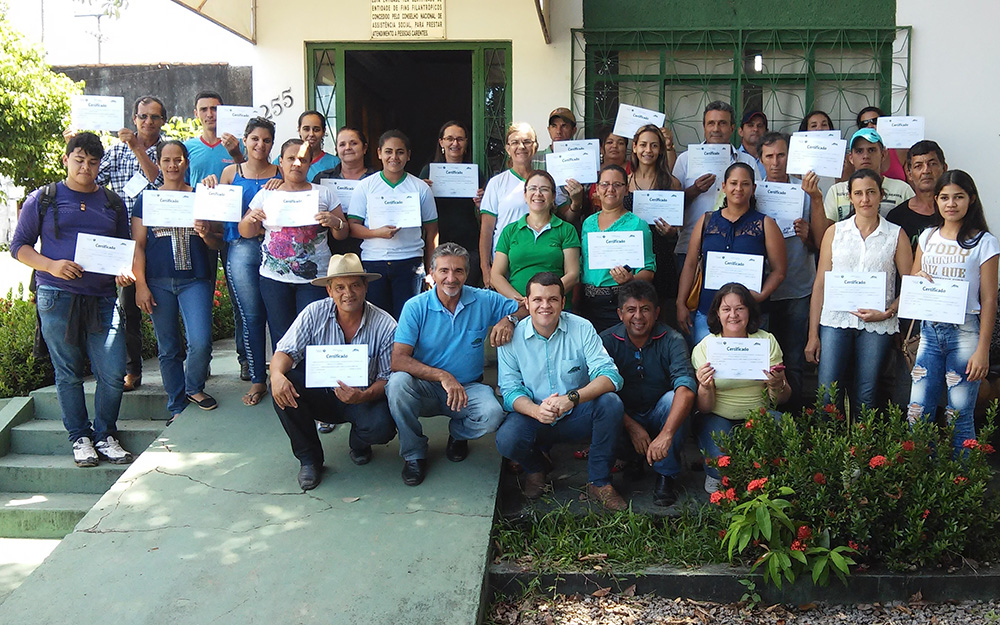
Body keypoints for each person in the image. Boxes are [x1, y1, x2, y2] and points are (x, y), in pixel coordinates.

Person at [10, 132, 135, 467]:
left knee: (112, 372)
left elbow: (123, 249)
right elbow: (18, 246)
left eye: (93, 162)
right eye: (79, 160)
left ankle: (105, 434)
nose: (86, 168)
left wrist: (124, 272)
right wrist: (51, 265)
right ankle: (80, 438)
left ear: (99, 165)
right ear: (66, 160)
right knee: (68, 372)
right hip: (56, 295)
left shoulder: (112, 202)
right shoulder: (44, 198)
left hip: (103, 297)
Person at [386, 243, 522, 486]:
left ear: (466, 274)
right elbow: (398, 359)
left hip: (467, 387)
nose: (451, 278)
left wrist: (509, 320)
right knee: (397, 384)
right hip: (425, 387)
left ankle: (458, 435)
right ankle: (414, 454)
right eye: (444, 271)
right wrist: (442, 376)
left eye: (458, 271)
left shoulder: (483, 299)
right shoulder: (415, 307)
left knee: (493, 414)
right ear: (432, 274)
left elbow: (526, 306)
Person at [495, 272, 627, 510]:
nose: (545, 306)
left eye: (553, 299)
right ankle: (536, 469)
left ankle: (599, 482)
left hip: (576, 413)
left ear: (563, 302)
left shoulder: (582, 327)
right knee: (507, 439)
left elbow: (610, 376)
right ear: (526, 302)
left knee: (611, 403)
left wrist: (572, 398)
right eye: (537, 300)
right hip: (534, 416)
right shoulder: (512, 338)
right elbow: (510, 390)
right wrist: (536, 411)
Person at [270, 254, 399, 490]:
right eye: (339, 287)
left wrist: (363, 396)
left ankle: (360, 442)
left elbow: (388, 378)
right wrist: (276, 376)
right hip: (321, 394)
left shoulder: (386, 324)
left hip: (363, 397)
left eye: (354, 286)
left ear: (365, 287)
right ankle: (309, 459)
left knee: (382, 427)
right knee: (283, 384)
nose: (347, 293)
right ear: (329, 290)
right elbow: (285, 352)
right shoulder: (313, 313)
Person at [908, 170, 998, 457]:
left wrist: (983, 349)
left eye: (958, 197)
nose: (951, 203)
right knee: (917, 412)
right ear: (936, 201)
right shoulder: (927, 237)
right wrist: (920, 276)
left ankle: (962, 486)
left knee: (958, 415)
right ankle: (921, 481)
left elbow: (989, 299)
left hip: (965, 334)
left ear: (970, 199)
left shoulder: (984, 242)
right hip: (930, 332)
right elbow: (913, 282)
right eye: (945, 197)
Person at [806, 169, 913, 412]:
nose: (865, 199)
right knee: (827, 391)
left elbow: (909, 284)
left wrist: (887, 313)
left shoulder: (896, 235)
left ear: (881, 195)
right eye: (858, 193)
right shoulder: (834, 233)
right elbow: (820, 284)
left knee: (866, 392)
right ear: (850, 197)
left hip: (877, 323)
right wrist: (813, 334)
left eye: (871, 192)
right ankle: (828, 447)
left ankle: (862, 448)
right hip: (835, 320)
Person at [132, 141, 222, 422]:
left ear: (186, 163)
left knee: (201, 341)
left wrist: (206, 232)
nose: (172, 165)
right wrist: (140, 285)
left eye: (178, 160)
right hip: (158, 281)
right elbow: (138, 245)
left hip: (194, 279)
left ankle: (194, 387)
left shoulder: (201, 197)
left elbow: (216, 242)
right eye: (167, 160)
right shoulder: (146, 199)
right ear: (158, 162)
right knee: (168, 347)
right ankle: (176, 404)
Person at [87, 96, 167, 392]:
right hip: (125, 241)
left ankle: (181, 367)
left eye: (154, 117)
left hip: (161, 238)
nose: (148, 122)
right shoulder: (116, 151)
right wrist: (74, 152)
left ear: (162, 121)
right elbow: (91, 178)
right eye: (143, 116)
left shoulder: (168, 149)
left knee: (168, 304)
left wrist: (137, 148)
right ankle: (133, 370)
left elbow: (159, 182)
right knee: (130, 307)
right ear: (134, 118)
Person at [240, 138, 349, 350]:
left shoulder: (324, 193)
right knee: (281, 333)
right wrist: (251, 219)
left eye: (303, 160)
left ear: (310, 164)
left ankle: (310, 383)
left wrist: (335, 223)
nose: (296, 164)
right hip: (274, 277)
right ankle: (283, 381)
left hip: (315, 278)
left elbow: (342, 234)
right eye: (291, 158)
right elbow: (245, 232)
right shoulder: (267, 194)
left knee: (315, 332)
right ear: (280, 161)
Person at [202, 117, 280, 407]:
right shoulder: (229, 172)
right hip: (241, 248)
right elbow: (217, 212)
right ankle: (259, 378)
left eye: (267, 140)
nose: (260, 145)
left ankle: (283, 375)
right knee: (251, 316)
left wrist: (282, 183)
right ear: (245, 141)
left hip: (275, 249)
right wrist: (210, 188)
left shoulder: (281, 172)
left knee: (279, 315)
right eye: (255, 139)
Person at [600, 280, 696, 506]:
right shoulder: (606, 341)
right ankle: (632, 459)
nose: (638, 317)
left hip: (659, 414)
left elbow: (686, 388)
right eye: (631, 310)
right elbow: (597, 388)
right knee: (607, 401)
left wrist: (666, 434)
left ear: (657, 312)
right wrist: (632, 427)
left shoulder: (672, 339)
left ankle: (666, 474)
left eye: (645, 309)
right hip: (624, 415)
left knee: (676, 399)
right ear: (620, 313)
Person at [676, 162, 787, 346]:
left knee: (749, 369)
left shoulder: (766, 224)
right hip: (708, 312)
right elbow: (690, 264)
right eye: (733, 183)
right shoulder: (706, 220)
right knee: (706, 369)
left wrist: (760, 295)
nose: (738, 188)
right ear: (724, 187)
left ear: (753, 188)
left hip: (751, 315)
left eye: (745, 184)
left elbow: (779, 271)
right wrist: (681, 303)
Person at [692, 283, 789, 492]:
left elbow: (780, 400)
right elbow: (704, 407)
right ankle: (714, 471)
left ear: (749, 311)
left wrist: (776, 384)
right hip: (718, 415)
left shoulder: (766, 341)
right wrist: (705, 386)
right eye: (726, 309)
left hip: (760, 413)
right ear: (717, 314)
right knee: (721, 468)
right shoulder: (705, 347)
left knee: (783, 438)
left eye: (740, 308)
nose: (733, 315)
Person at [184, 90, 249, 381]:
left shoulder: (242, 146)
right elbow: (179, 187)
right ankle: (201, 362)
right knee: (200, 296)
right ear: (196, 113)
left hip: (235, 231)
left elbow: (251, 177)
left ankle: (246, 359)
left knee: (240, 298)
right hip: (199, 233)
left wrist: (236, 152)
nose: (210, 114)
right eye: (204, 109)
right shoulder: (187, 148)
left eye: (215, 109)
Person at [756, 132, 820, 408]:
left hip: (798, 286)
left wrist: (807, 235)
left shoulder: (805, 194)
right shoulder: (753, 192)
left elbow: (821, 242)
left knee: (793, 358)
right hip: (759, 291)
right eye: (769, 156)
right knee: (763, 360)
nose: (776, 162)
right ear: (760, 159)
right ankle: (764, 420)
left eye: (781, 155)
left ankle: (793, 422)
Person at [347, 129, 438, 319]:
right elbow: (352, 227)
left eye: (400, 152)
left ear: (408, 155)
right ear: (379, 153)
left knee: (408, 321)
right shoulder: (365, 186)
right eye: (388, 151)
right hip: (374, 263)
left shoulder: (420, 188)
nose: (394, 157)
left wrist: (432, 270)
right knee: (375, 320)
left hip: (410, 263)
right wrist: (377, 233)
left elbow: (432, 232)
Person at [479, 123, 574, 286]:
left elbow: (567, 216)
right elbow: (487, 229)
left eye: (527, 142)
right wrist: (486, 269)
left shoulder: (548, 180)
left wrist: (577, 201)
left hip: (542, 261)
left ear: (535, 147)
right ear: (507, 148)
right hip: (505, 266)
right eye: (515, 142)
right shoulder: (497, 183)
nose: (521, 147)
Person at [672, 101, 758, 267]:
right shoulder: (685, 159)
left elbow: (757, 201)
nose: (716, 129)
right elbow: (673, 206)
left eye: (722, 123)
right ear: (704, 127)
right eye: (711, 123)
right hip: (692, 247)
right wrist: (694, 190)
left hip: (736, 247)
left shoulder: (747, 162)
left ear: (732, 128)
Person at [580, 164, 656, 333]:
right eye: (605, 184)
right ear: (597, 189)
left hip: (620, 302)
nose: (610, 189)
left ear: (626, 189)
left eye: (617, 185)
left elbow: (649, 271)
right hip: (588, 303)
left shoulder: (637, 224)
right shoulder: (588, 223)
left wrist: (630, 280)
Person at [490, 170, 580, 303]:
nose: (538, 193)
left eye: (544, 189)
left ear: (553, 196)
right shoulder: (510, 231)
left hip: (554, 307)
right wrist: (521, 302)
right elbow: (496, 275)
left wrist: (542, 299)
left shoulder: (566, 230)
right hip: (518, 306)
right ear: (525, 195)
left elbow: (573, 275)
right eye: (532, 188)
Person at [419, 120, 485, 286]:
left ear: (466, 142)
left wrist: (480, 205)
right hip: (438, 244)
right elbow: (415, 212)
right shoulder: (428, 172)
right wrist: (421, 192)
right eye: (449, 138)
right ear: (441, 142)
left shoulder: (475, 173)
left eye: (460, 139)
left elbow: (486, 216)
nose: (455, 143)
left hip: (469, 245)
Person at [627, 125, 682, 312]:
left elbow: (678, 227)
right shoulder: (625, 182)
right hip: (631, 258)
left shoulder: (671, 182)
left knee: (661, 311)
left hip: (661, 256)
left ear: (660, 150)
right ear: (634, 147)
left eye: (654, 145)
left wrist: (672, 231)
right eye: (643, 145)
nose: (648, 150)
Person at [820, 128, 915, 232]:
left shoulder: (902, 189)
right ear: (851, 158)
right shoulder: (836, 191)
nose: (865, 156)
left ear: (883, 154)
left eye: (871, 150)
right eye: (859, 151)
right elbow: (827, 232)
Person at [313, 126, 378, 259]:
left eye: (354, 143)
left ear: (364, 148)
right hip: (331, 249)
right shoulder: (323, 178)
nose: (348, 147)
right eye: (342, 144)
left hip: (369, 248)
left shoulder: (377, 179)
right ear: (337, 149)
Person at [887, 140, 948, 249]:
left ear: (944, 168)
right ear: (909, 174)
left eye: (932, 164)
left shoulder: (955, 211)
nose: (926, 171)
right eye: (918, 166)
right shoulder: (897, 217)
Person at [276, 110, 341, 181]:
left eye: (316, 130)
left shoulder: (334, 162)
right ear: (299, 130)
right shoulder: (284, 160)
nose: (311, 134)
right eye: (306, 129)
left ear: (323, 131)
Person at [856, 106, 906, 182]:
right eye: (864, 124)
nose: (870, 126)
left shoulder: (900, 151)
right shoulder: (855, 156)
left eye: (875, 121)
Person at [736, 110, 768, 179]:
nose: (755, 129)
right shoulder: (734, 158)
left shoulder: (772, 159)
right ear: (740, 131)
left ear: (766, 132)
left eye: (760, 126)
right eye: (750, 125)